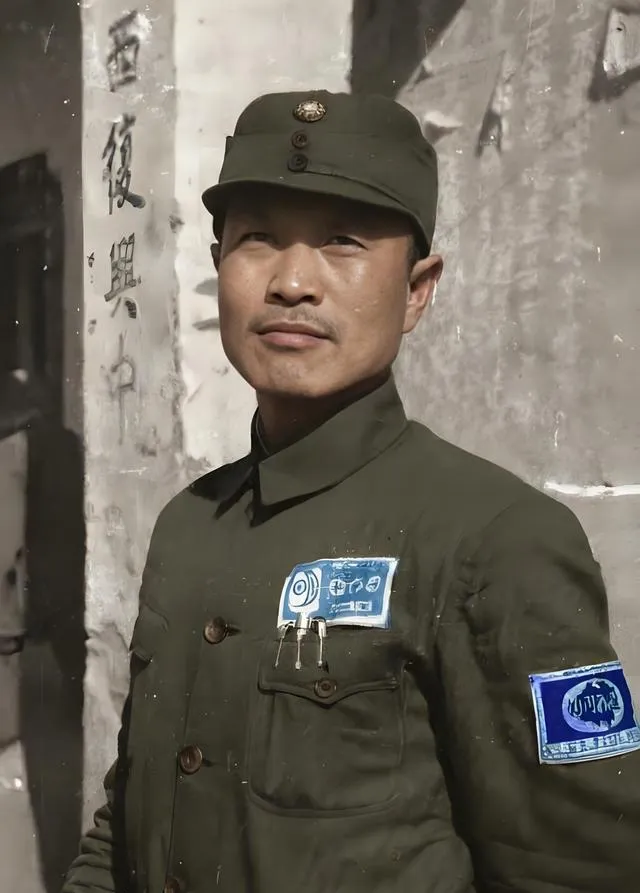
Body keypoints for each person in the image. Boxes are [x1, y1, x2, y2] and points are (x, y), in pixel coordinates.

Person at [62, 89, 640, 893]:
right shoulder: (188, 526)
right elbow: (127, 824)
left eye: (343, 241)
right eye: (258, 237)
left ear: (418, 289)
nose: (293, 281)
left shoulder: (496, 538)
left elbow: (580, 869)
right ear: (218, 263)